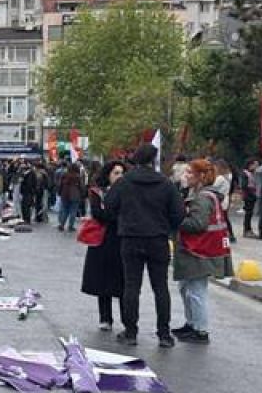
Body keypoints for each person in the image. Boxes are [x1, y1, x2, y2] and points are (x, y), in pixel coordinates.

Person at [105, 144, 185, 348]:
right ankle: (164, 334)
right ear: (154, 160)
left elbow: (110, 206)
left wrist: (124, 220)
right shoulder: (166, 184)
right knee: (161, 287)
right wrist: (166, 226)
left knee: (132, 286)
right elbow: (178, 213)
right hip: (157, 239)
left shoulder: (124, 183)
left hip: (131, 238)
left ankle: (131, 332)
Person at [171, 159, 232, 345]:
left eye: (190, 173)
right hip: (198, 250)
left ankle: (201, 330)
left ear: (201, 177)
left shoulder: (203, 198)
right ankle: (192, 324)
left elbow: (198, 224)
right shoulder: (201, 195)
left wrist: (176, 220)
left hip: (198, 251)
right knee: (186, 288)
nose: (185, 176)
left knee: (197, 291)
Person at [82, 161, 126, 331]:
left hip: (121, 239)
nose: (119, 176)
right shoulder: (98, 192)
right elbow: (98, 213)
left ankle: (126, 320)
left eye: (122, 172)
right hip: (101, 240)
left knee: (123, 281)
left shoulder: (128, 192)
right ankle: (105, 317)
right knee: (103, 281)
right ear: (108, 174)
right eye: (116, 173)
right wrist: (114, 216)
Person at [56, 163, 83, 233]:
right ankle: (70, 226)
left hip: (65, 194)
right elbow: (81, 186)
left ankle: (62, 225)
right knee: (73, 211)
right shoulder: (78, 176)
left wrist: (59, 192)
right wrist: (82, 194)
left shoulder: (64, 175)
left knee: (65, 210)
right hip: (75, 194)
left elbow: (60, 185)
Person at [241, 159, 259, 238]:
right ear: (250, 165)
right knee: (248, 214)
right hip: (248, 196)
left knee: (250, 213)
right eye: (255, 165)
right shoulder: (245, 173)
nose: (256, 167)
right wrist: (252, 193)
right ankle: (246, 230)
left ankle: (249, 229)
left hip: (252, 195)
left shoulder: (253, 173)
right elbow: (244, 186)